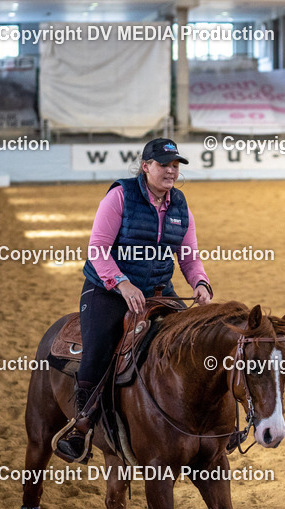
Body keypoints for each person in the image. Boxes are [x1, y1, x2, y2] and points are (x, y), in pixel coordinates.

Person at [56, 138, 213, 462]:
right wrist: (122, 284)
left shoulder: (180, 206)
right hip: (107, 288)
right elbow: (98, 249)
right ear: (146, 166)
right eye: (163, 164)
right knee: (99, 347)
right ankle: (81, 426)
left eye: (174, 165)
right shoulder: (120, 197)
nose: (170, 171)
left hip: (158, 290)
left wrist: (200, 283)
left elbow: (189, 256)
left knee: (191, 344)